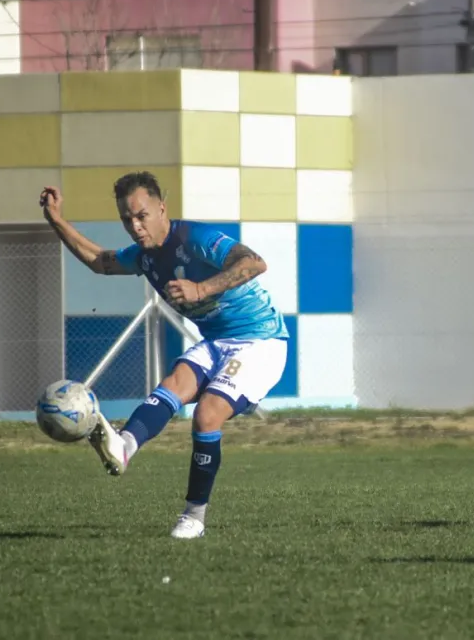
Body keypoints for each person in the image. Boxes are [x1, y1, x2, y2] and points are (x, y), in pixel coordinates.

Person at [39, 171, 288, 539]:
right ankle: (123, 447)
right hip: (217, 341)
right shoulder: (144, 258)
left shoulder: (194, 237)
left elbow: (253, 263)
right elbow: (99, 260)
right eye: (127, 219)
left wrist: (201, 288)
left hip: (260, 341)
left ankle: (194, 517)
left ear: (161, 209)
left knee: (206, 415)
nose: (135, 226)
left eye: (141, 215)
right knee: (172, 385)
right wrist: (57, 221)